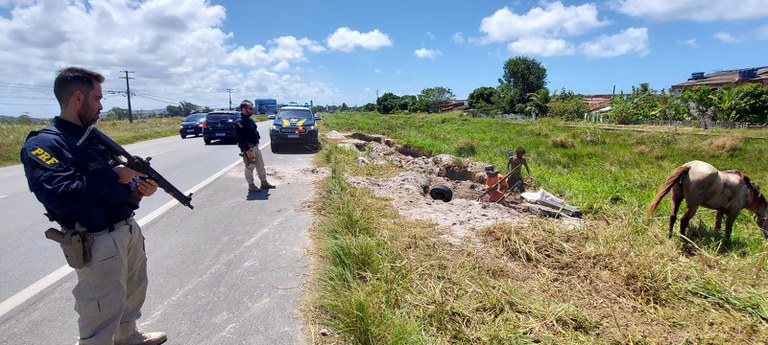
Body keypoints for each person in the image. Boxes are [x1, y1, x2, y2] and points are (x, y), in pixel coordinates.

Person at [20, 67, 167, 344]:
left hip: (125, 228)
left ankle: (128, 336)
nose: (101, 106)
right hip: (95, 239)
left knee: (133, 290)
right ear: (78, 97)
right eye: (98, 99)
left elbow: (116, 186)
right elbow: (61, 195)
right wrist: (113, 174)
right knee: (100, 310)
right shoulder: (45, 144)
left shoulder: (93, 139)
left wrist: (138, 190)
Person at [234, 99, 276, 193]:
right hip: (249, 148)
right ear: (244, 109)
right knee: (250, 167)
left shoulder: (249, 120)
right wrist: (246, 150)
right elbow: (240, 138)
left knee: (261, 166)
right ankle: (251, 186)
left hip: (255, 146)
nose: (252, 110)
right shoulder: (239, 122)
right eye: (250, 108)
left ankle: (264, 183)